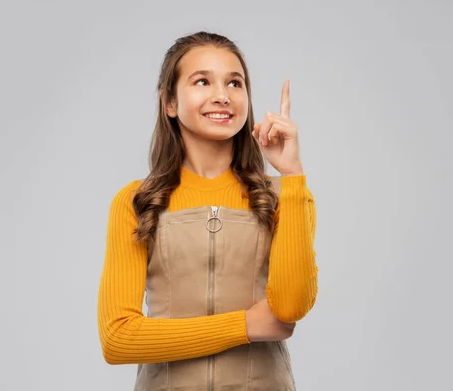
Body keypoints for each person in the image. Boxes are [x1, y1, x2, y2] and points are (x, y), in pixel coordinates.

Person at [97, 31, 318, 390]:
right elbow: (119, 338)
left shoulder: (283, 196)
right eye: (202, 81)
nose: (222, 96)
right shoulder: (138, 201)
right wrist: (246, 326)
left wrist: (292, 175)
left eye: (235, 83)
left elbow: (290, 309)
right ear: (170, 102)